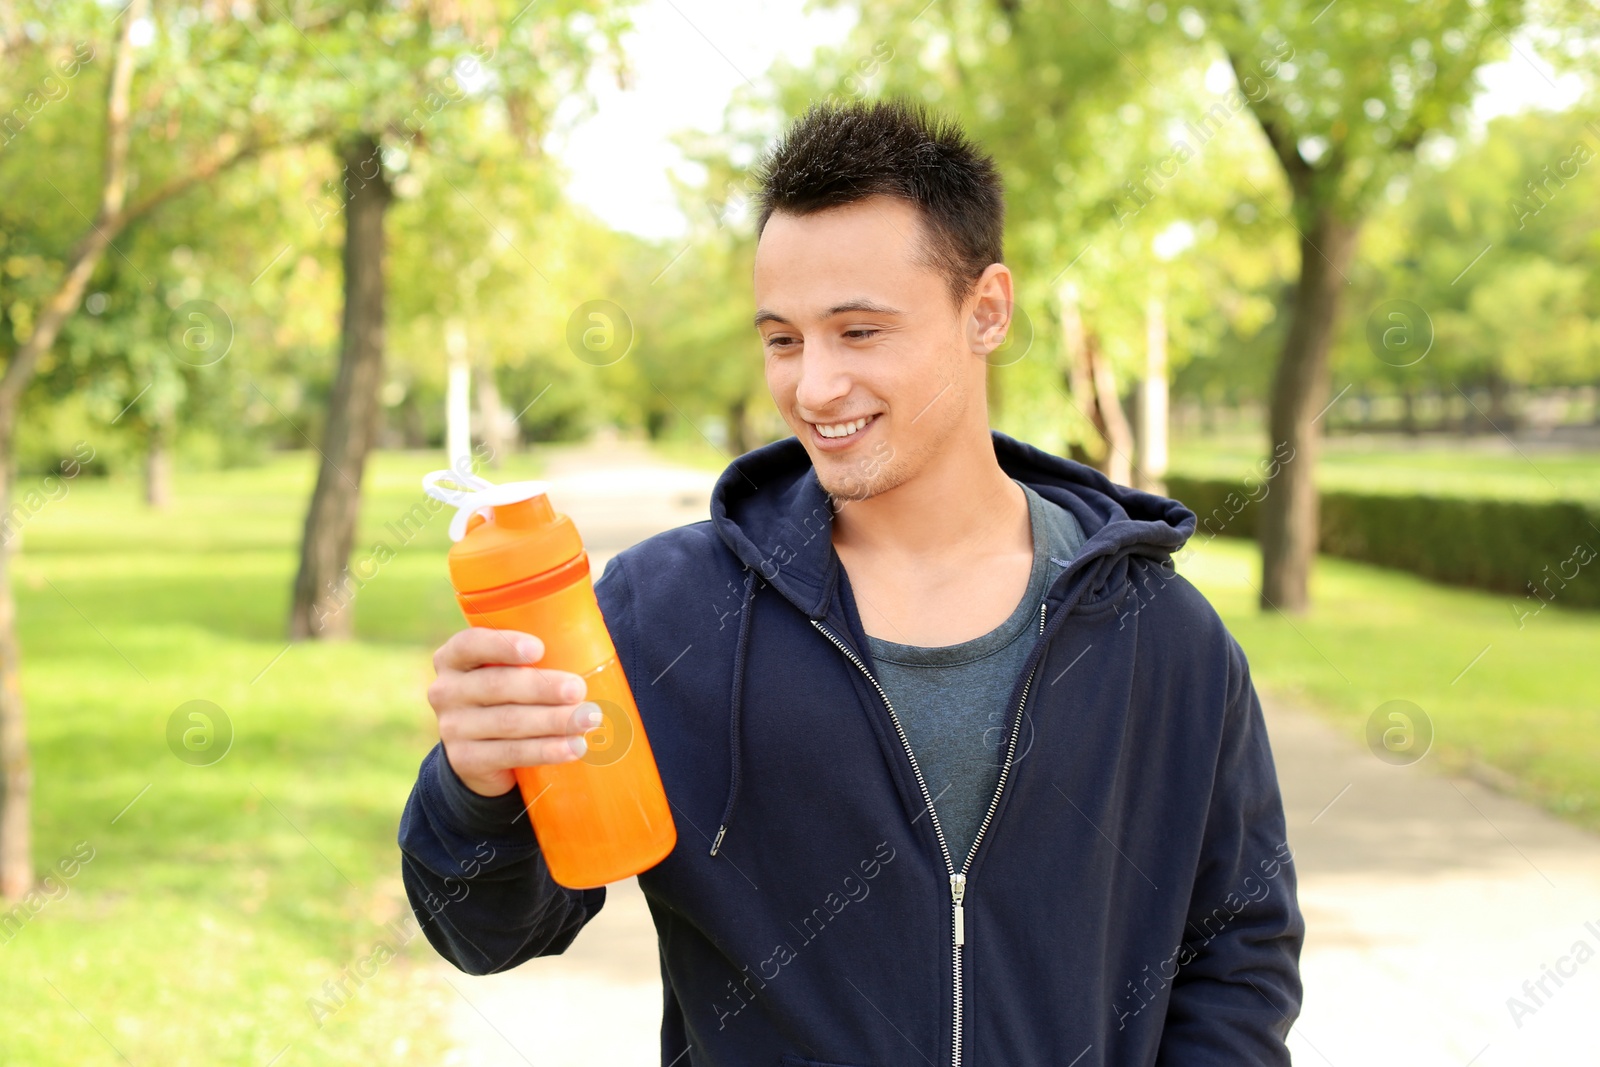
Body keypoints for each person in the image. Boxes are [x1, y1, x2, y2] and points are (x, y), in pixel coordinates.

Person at [398, 97, 1303, 1066]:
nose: (813, 386)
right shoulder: (663, 612)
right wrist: (477, 784)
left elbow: (1238, 951)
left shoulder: (1159, 632)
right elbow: (491, 931)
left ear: (985, 309)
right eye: (783, 339)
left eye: (858, 332)